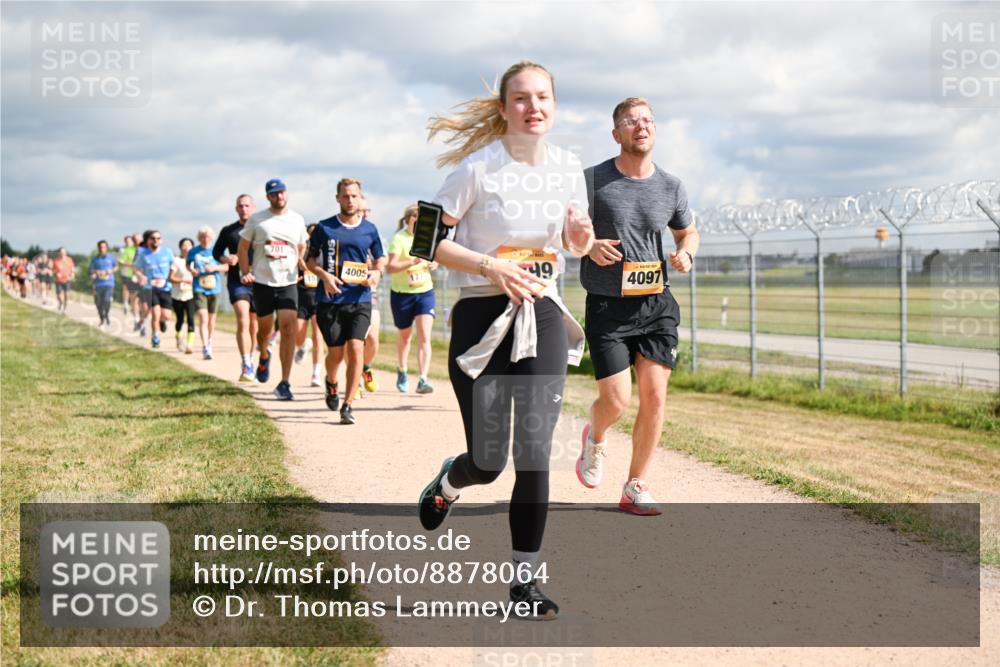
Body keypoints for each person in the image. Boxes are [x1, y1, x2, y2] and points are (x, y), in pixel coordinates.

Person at [416, 61, 594, 619]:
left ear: (555, 105)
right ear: (503, 108)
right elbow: (428, 242)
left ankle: (524, 582)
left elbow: (575, 240)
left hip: (540, 313)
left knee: (536, 452)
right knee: (489, 462)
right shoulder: (476, 168)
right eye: (521, 98)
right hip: (481, 320)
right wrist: (491, 268)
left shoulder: (568, 168)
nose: (533, 107)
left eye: (543, 97)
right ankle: (452, 476)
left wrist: (581, 238)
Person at [576, 97, 700, 516]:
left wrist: (686, 252)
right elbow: (564, 230)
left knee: (656, 396)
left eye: (647, 120)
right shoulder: (592, 181)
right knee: (616, 402)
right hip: (608, 307)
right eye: (631, 121)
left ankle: (635, 485)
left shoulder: (671, 186)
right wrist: (589, 245)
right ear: (617, 134)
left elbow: (688, 233)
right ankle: (595, 435)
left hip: (656, 304)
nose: (640, 126)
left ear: (654, 129)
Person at [306, 178, 386, 425]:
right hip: (330, 300)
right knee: (336, 354)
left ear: (359, 198)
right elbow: (309, 261)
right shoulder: (324, 228)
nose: (350, 200)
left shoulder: (369, 229)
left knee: (356, 348)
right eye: (345, 196)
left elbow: (380, 259)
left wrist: (376, 273)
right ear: (338, 198)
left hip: (359, 299)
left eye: (354, 196)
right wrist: (324, 275)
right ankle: (331, 382)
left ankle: (348, 404)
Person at [238, 178, 308, 400]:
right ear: (268, 197)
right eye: (274, 194)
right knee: (264, 331)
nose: (279, 197)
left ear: (287, 193)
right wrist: (245, 271)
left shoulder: (297, 220)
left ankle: (285, 382)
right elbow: (243, 247)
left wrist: (300, 262)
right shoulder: (258, 220)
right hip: (263, 282)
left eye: (282, 192)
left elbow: (302, 244)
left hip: (288, 282)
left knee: (288, 329)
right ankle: (264, 354)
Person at [386, 204, 438, 393]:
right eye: (416, 217)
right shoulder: (399, 239)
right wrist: (412, 261)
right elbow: (390, 267)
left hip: (425, 292)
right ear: (409, 219)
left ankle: (423, 378)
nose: (419, 221)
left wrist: (435, 263)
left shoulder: (426, 239)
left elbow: (437, 257)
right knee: (406, 336)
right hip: (402, 294)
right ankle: (402, 370)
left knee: (425, 335)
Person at [215, 194, 260, 381]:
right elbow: (216, 252)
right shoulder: (229, 231)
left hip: (259, 282)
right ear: (236, 209)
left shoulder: (261, 229)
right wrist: (227, 258)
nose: (244, 209)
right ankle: (246, 364)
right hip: (237, 281)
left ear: (253, 207)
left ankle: (256, 357)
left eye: (247, 206)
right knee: (243, 320)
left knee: (255, 327)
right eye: (240, 206)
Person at [188, 226, 226, 360]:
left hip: (214, 288)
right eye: (202, 237)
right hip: (199, 287)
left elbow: (227, 266)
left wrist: (214, 267)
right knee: (203, 318)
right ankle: (205, 347)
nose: (205, 239)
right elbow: (189, 265)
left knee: (211, 319)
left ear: (212, 238)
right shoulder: (193, 251)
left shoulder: (217, 251)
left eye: (208, 237)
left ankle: (210, 340)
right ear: (199, 238)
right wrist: (192, 271)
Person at [294, 223, 324, 387]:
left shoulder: (325, 253)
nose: (313, 238)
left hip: (319, 297)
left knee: (318, 335)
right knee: (297, 334)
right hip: (302, 296)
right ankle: (304, 345)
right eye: (310, 234)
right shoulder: (301, 252)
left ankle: (316, 373)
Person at [133, 230, 174, 348]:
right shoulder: (143, 254)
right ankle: (155, 336)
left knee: (166, 315)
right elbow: (136, 268)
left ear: (161, 240)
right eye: (153, 238)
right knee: (155, 313)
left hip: (165, 287)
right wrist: (141, 276)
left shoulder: (167, 252)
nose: (156, 240)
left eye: (158, 238)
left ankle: (163, 321)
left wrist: (171, 277)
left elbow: (173, 265)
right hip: (149, 287)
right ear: (148, 240)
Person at [358, 198, 381, 395]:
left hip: (370, 292)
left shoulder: (372, 232)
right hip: (348, 293)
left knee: (372, 337)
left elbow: (383, 260)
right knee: (354, 340)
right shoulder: (344, 231)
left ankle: (365, 367)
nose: (365, 214)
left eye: (368, 210)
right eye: (362, 210)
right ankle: (354, 380)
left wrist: (375, 268)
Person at [169, 237, 197, 354]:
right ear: (180, 247)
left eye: (189, 245)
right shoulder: (176, 261)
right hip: (177, 295)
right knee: (180, 319)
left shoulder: (195, 261)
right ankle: (178, 336)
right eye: (184, 245)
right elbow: (171, 277)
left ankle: (189, 345)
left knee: (191, 319)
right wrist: (182, 280)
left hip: (191, 295)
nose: (187, 247)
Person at [88, 240, 118, 326]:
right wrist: (96, 271)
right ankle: (102, 318)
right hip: (98, 284)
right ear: (98, 248)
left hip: (109, 283)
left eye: (104, 247)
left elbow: (116, 267)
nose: (102, 249)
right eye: (100, 247)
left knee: (107, 300)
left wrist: (110, 270)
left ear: (107, 248)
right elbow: (90, 270)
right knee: (98, 303)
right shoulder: (95, 259)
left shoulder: (111, 258)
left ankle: (107, 314)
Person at [52, 247, 75, 313]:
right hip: (59, 280)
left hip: (67, 279)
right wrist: (56, 273)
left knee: (66, 295)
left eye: (64, 252)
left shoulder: (69, 259)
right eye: (61, 252)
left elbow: (72, 268)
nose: (63, 254)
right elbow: (53, 270)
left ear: (65, 253)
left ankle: (64, 308)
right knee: (59, 295)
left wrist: (73, 274)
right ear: (59, 253)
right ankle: (61, 302)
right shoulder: (56, 260)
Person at [118, 235, 137, 317]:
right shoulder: (122, 250)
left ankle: (133, 308)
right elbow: (120, 261)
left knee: (133, 291)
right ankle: (125, 303)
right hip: (125, 272)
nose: (128, 242)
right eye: (127, 241)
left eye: (130, 241)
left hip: (135, 274)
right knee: (125, 288)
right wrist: (130, 265)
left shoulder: (136, 250)